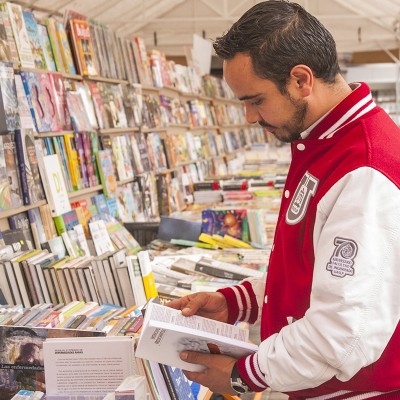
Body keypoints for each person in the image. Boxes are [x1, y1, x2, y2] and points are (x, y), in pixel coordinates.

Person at [166, 1, 400, 398]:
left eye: (255, 100)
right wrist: (236, 302)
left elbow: (340, 335)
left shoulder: (363, 168)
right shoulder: (324, 143)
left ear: (301, 80)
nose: (251, 119)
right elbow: (311, 268)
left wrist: (243, 375)